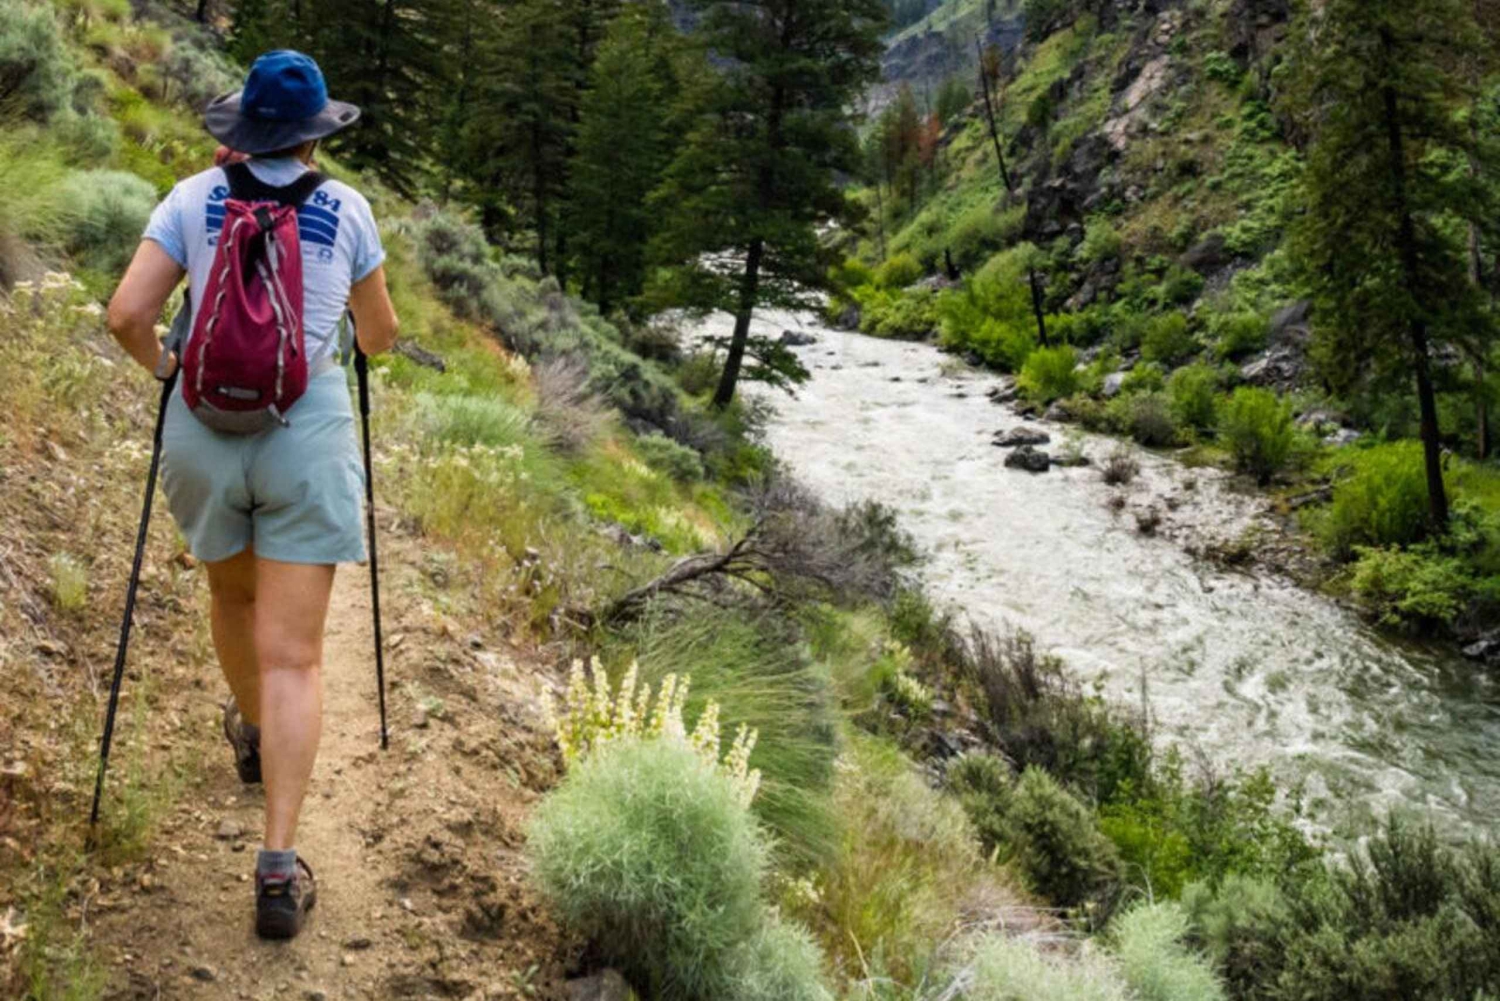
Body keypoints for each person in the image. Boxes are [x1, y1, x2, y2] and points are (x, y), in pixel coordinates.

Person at [107, 50, 399, 940]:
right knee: (296, 659)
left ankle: (251, 729)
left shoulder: (192, 198)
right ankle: (277, 866)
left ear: (241, 132)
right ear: (314, 135)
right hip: (302, 437)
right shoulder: (347, 209)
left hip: (203, 427)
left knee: (231, 598)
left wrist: (171, 365)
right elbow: (379, 339)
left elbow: (125, 313)